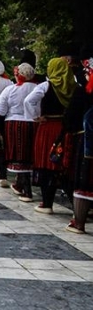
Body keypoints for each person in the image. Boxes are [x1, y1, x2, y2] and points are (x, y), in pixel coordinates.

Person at [25, 57, 77, 214]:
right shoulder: (73, 85)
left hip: (48, 127)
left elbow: (29, 101)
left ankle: (47, 203)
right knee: (63, 165)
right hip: (66, 127)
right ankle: (78, 207)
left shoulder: (46, 86)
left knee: (46, 163)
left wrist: (35, 117)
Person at [0, 63, 38, 202]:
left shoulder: (10, 89)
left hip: (15, 123)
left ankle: (27, 190)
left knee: (20, 156)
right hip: (35, 123)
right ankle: (20, 185)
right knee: (30, 154)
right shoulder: (38, 87)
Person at [65, 57, 93, 233]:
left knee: (85, 179)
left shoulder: (82, 92)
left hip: (87, 141)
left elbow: (70, 118)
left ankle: (79, 222)